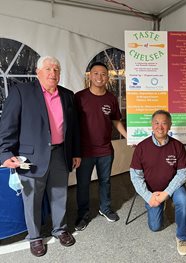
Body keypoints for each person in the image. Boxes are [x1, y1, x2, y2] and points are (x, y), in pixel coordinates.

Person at [0, 56, 81, 257]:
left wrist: (76, 152)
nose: (52, 73)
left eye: (56, 69)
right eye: (48, 69)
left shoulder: (68, 95)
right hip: (30, 158)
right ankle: (35, 237)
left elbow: (74, 129)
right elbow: (8, 124)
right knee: (32, 199)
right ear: (38, 72)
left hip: (60, 153)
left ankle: (60, 229)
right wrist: (5, 152)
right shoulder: (22, 92)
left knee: (59, 194)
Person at [130, 110, 186, 256]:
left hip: (173, 187)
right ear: (151, 125)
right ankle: (159, 205)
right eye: (156, 123)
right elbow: (135, 176)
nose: (160, 126)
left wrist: (166, 193)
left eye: (164, 123)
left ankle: (182, 237)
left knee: (183, 201)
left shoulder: (177, 146)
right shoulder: (141, 147)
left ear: (170, 125)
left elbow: (183, 172)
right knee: (155, 227)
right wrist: (148, 197)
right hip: (152, 191)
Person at [74, 62, 127, 231]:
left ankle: (105, 208)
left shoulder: (111, 98)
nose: (99, 77)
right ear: (90, 76)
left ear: (107, 77)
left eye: (103, 74)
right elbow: (72, 123)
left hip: (105, 149)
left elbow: (116, 120)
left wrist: (128, 137)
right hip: (84, 150)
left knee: (105, 181)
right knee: (83, 183)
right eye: (96, 73)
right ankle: (82, 214)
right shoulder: (79, 97)